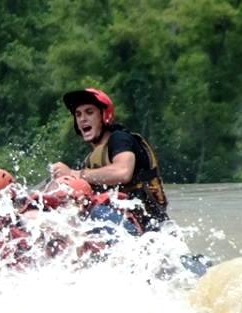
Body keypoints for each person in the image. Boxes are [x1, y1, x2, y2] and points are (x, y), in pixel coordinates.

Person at [50, 88, 169, 231]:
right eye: (78, 114)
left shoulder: (120, 139)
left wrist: (74, 173)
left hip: (148, 225)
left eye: (89, 112)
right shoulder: (90, 161)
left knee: (93, 213)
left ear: (104, 116)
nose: (82, 119)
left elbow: (122, 173)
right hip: (125, 222)